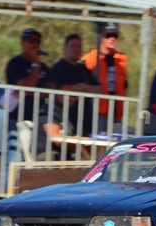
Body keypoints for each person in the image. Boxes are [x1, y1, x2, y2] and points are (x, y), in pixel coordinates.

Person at [5, 28, 50, 161]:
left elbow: (51, 89)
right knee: (14, 157)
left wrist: (32, 92)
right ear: (23, 43)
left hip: (38, 119)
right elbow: (25, 85)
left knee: (32, 158)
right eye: (31, 41)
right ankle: (9, 182)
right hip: (18, 118)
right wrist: (36, 64)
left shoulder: (44, 67)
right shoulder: (15, 63)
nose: (35, 44)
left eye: (37, 41)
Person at [46, 33, 101, 138]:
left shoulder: (83, 69)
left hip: (86, 121)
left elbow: (99, 89)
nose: (76, 49)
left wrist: (84, 87)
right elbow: (56, 88)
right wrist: (73, 88)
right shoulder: (57, 68)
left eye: (79, 46)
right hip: (65, 121)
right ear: (64, 49)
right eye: (73, 46)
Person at [81, 22, 129, 133]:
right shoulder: (90, 58)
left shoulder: (121, 59)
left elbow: (124, 85)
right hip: (97, 112)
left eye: (115, 36)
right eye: (108, 36)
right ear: (101, 37)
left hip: (116, 112)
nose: (112, 39)